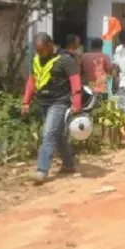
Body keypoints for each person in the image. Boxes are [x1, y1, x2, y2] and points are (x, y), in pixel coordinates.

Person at [21, 33, 82, 185]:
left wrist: (76, 104)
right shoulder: (37, 60)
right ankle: (69, 164)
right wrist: (26, 102)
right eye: (37, 51)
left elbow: (75, 82)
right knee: (58, 135)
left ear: (50, 45)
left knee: (48, 134)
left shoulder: (66, 59)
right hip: (44, 102)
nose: (39, 54)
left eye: (41, 50)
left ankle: (41, 171)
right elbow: (32, 81)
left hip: (60, 102)